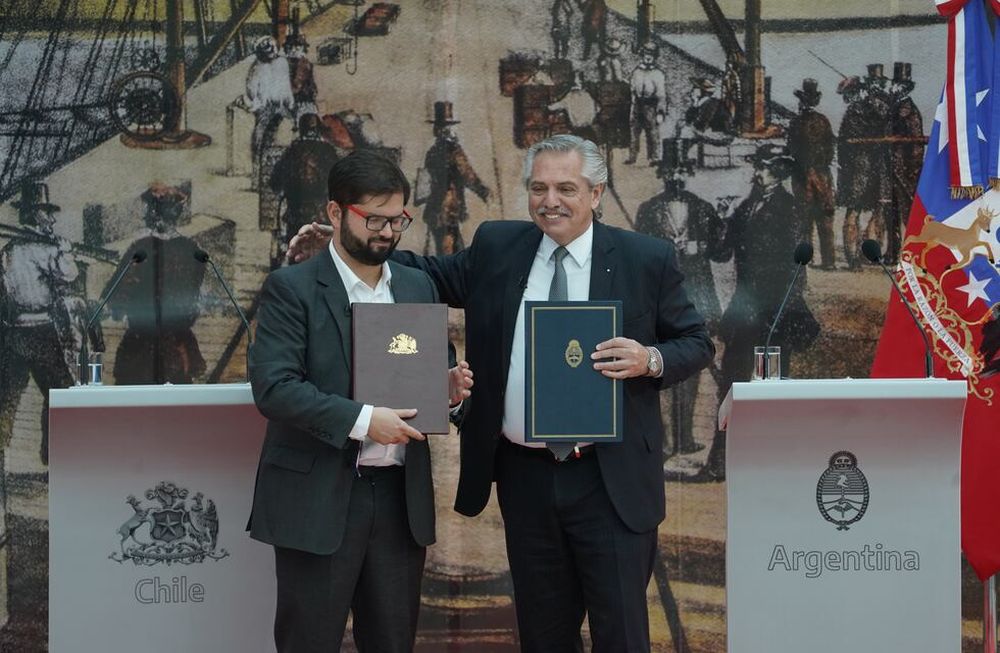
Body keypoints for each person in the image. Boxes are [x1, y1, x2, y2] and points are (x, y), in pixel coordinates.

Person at [288, 135, 714, 650]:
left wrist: (650, 359)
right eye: (539, 187)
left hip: (611, 481)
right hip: (526, 480)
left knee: (621, 634)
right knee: (543, 633)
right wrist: (338, 249)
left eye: (565, 188)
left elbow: (694, 342)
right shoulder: (499, 247)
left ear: (597, 193)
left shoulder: (644, 258)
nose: (549, 200)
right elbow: (420, 275)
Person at [248, 149, 473, 652]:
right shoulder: (293, 289)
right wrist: (366, 420)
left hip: (398, 502)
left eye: (398, 220)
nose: (388, 232)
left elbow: (433, 375)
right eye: (374, 219)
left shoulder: (416, 284)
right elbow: (275, 387)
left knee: (392, 643)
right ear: (335, 213)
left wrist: (450, 394)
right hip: (319, 499)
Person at [699, 144, 819, 480]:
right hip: (745, 313)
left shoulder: (790, 209)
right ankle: (720, 461)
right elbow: (721, 253)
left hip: (774, 317)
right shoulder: (748, 205)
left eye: (763, 167)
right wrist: (721, 219)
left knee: (770, 389)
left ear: (778, 172)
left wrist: (781, 313)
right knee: (731, 384)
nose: (756, 171)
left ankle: (770, 464)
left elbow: (797, 269)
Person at [634, 138, 722, 457]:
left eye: (683, 170)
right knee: (652, 376)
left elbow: (720, 251)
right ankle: (660, 442)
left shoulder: (703, 208)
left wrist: (713, 232)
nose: (677, 176)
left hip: (694, 302)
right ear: (663, 175)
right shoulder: (647, 210)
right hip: (656, 304)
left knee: (689, 373)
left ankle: (684, 438)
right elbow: (637, 258)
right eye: (672, 171)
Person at [0, 180, 87, 465]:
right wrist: (65, 251)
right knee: (61, 395)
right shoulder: (46, 249)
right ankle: (55, 456)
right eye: (46, 213)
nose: (51, 219)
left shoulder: (9, 249)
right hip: (40, 332)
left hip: (12, 334)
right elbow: (70, 275)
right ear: (34, 214)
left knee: (6, 403)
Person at [107, 184, 207, 385]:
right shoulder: (191, 249)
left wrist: (119, 307)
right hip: (172, 338)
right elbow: (194, 296)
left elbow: (119, 292)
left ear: (156, 215)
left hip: (147, 339)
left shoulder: (141, 248)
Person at [416, 101, 490, 256]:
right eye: (446, 127)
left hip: (436, 209)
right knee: (449, 251)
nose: (449, 130)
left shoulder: (433, 151)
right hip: (448, 209)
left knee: (449, 249)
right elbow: (468, 174)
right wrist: (483, 191)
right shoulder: (453, 150)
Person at [269, 113, 340, 268]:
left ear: (300, 129)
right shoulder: (329, 151)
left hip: (295, 212)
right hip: (321, 214)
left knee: (295, 253)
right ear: (319, 130)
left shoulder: (291, 150)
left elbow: (274, 181)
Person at [786, 78, 836, 269]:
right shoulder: (823, 121)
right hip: (822, 175)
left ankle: (807, 259)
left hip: (802, 175)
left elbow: (791, 149)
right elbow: (831, 148)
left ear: (802, 102)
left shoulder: (796, 123)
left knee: (804, 218)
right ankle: (829, 261)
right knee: (825, 217)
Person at [243, 36, 294, 191]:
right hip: (265, 107)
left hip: (282, 105)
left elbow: (286, 85)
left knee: (290, 134)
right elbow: (251, 91)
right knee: (259, 139)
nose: (271, 51)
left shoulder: (282, 63)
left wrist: (289, 102)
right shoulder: (257, 67)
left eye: (271, 48)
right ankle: (257, 177)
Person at [627, 42, 668, 165]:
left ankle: (654, 157)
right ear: (642, 55)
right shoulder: (636, 72)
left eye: (651, 55)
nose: (648, 57)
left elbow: (661, 94)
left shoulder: (658, 74)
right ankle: (632, 156)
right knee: (634, 131)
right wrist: (632, 107)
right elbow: (632, 90)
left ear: (655, 57)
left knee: (653, 132)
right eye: (646, 54)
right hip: (637, 104)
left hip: (651, 105)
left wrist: (661, 111)